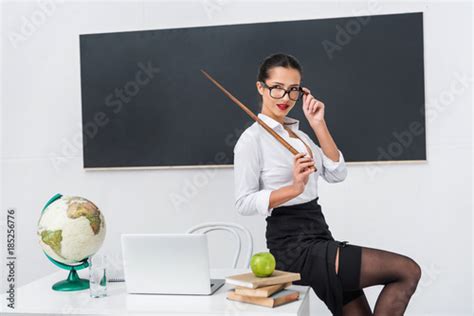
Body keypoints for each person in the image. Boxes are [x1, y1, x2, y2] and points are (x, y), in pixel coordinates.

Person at [233, 53, 422, 315]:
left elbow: (336, 173)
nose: (286, 98)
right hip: (293, 245)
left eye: (293, 90)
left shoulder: (299, 135)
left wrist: (318, 124)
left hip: (319, 233)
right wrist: (295, 188)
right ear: (261, 87)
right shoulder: (251, 140)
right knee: (407, 270)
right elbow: (243, 202)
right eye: (277, 88)